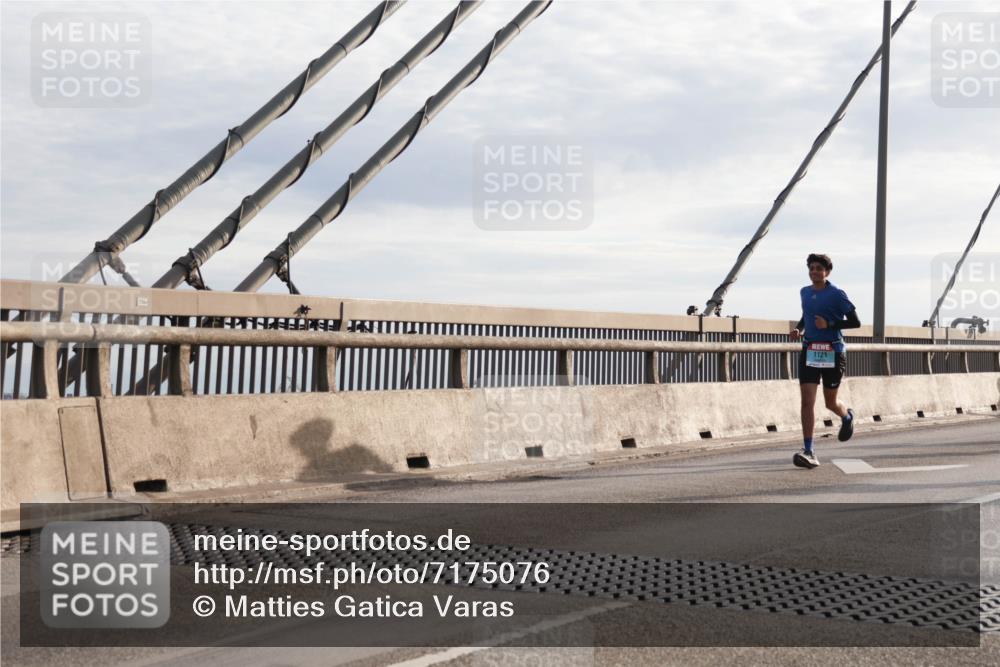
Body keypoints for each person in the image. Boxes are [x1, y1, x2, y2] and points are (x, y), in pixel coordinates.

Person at [789, 253, 861, 469]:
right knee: (807, 401)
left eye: (819, 268)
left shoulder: (837, 294)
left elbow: (856, 322)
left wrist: (829, 324)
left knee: (830, 402)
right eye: (811, 268)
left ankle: (846, 416)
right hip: (810, 350)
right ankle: (809, 450)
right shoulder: (804, 292)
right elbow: (806, 316)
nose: (814, 272)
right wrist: (799, 329)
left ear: (827, 272)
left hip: (833, 352)